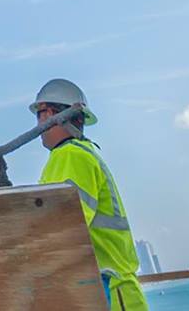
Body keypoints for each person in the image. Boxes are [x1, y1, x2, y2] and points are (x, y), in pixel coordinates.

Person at [33, 78, 145, 311]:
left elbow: (60, 229)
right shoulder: (79, 154)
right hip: (114, 293)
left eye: (39, 113)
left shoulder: (71, 156)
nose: (37, 124)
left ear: (51, 114)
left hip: (108, 296)